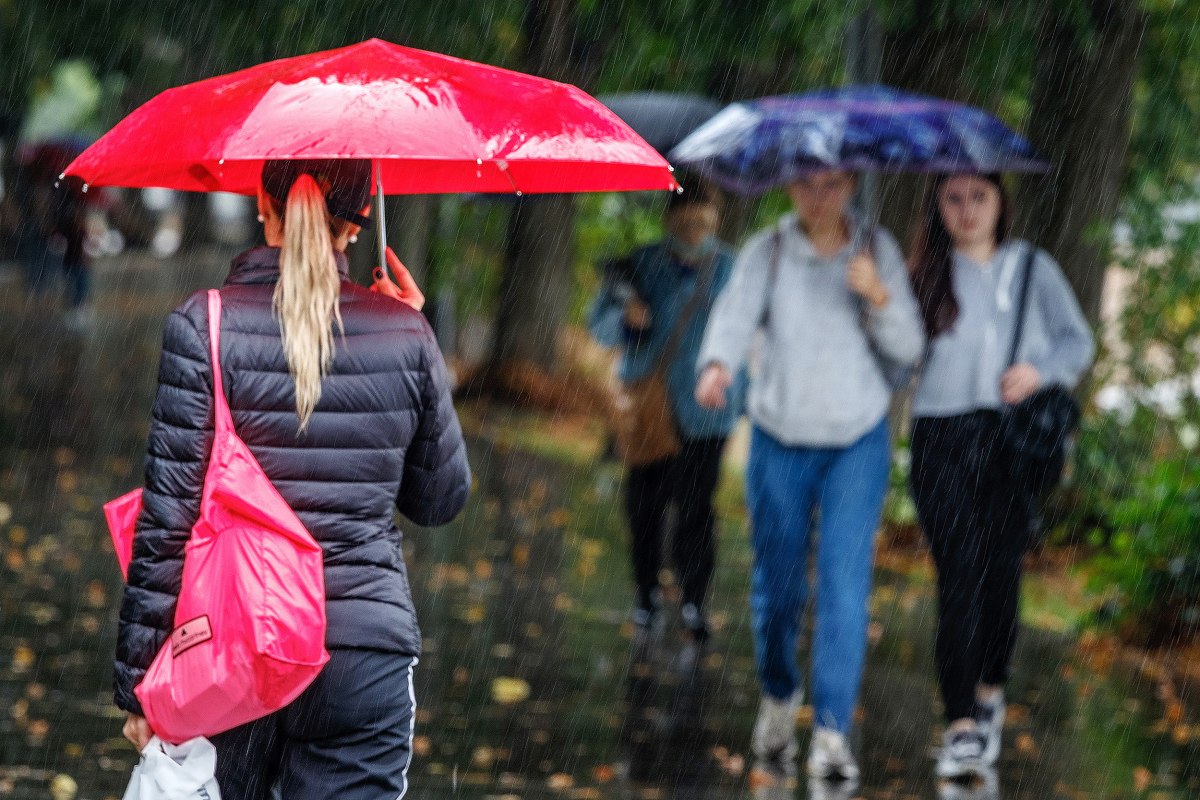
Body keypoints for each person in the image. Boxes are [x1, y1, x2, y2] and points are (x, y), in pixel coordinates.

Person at [115, 158, 470, 799]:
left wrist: (139, 685)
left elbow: (168, 522)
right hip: (362, 650)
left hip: (235, 650)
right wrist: (416, 345)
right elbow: (439, 500)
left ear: (261, 203)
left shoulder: (205, 324)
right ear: (357, 227)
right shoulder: (406, 333)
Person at [695, 169, 924, 783]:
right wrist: (717, 366)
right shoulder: (767, 250)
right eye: (804, 184)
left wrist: (879, 295)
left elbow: (909, 346)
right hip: (779, 438)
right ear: (789, 187)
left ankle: (830, 731)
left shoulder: (878, 251)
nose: (817, 197)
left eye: (830, 184)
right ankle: (777, 695)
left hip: (856, 441)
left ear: (851, 184)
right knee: (779, 592)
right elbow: (733, 317)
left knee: (845, 588)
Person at [907, 172, 1093, 777]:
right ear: (937, 206)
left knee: (1000, 573)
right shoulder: (924, 274)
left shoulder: (1032, 268)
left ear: (999, 203)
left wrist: (1039, 371)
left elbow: (1077, 341)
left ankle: (989, 689)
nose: (966, 211)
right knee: (957, 572)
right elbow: (897, 353)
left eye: (978, 198)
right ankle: (959, 721)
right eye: (952, 199)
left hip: (1009, 438)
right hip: (940, 437)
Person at [588, 179, 744, 647]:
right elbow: (598, 327)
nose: (695, 232)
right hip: (650, 409)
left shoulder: (731, 270)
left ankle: (695, 599)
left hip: (707, 413)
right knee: (644, 509)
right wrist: (627, 317)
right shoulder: (639, 265)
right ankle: (647, 597)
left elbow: (746, 332)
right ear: (669, 219)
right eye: (686, 222)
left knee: (697, 511)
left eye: (705, 224)